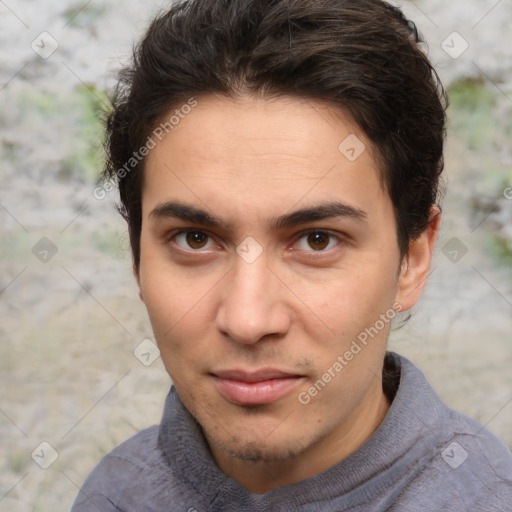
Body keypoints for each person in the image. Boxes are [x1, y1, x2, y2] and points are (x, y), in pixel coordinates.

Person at [72, 0, 512, 510]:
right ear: (137, 261)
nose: (248, 319)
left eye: (317, 240)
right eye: (195, 238)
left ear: (412, 258)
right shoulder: (117, 492)